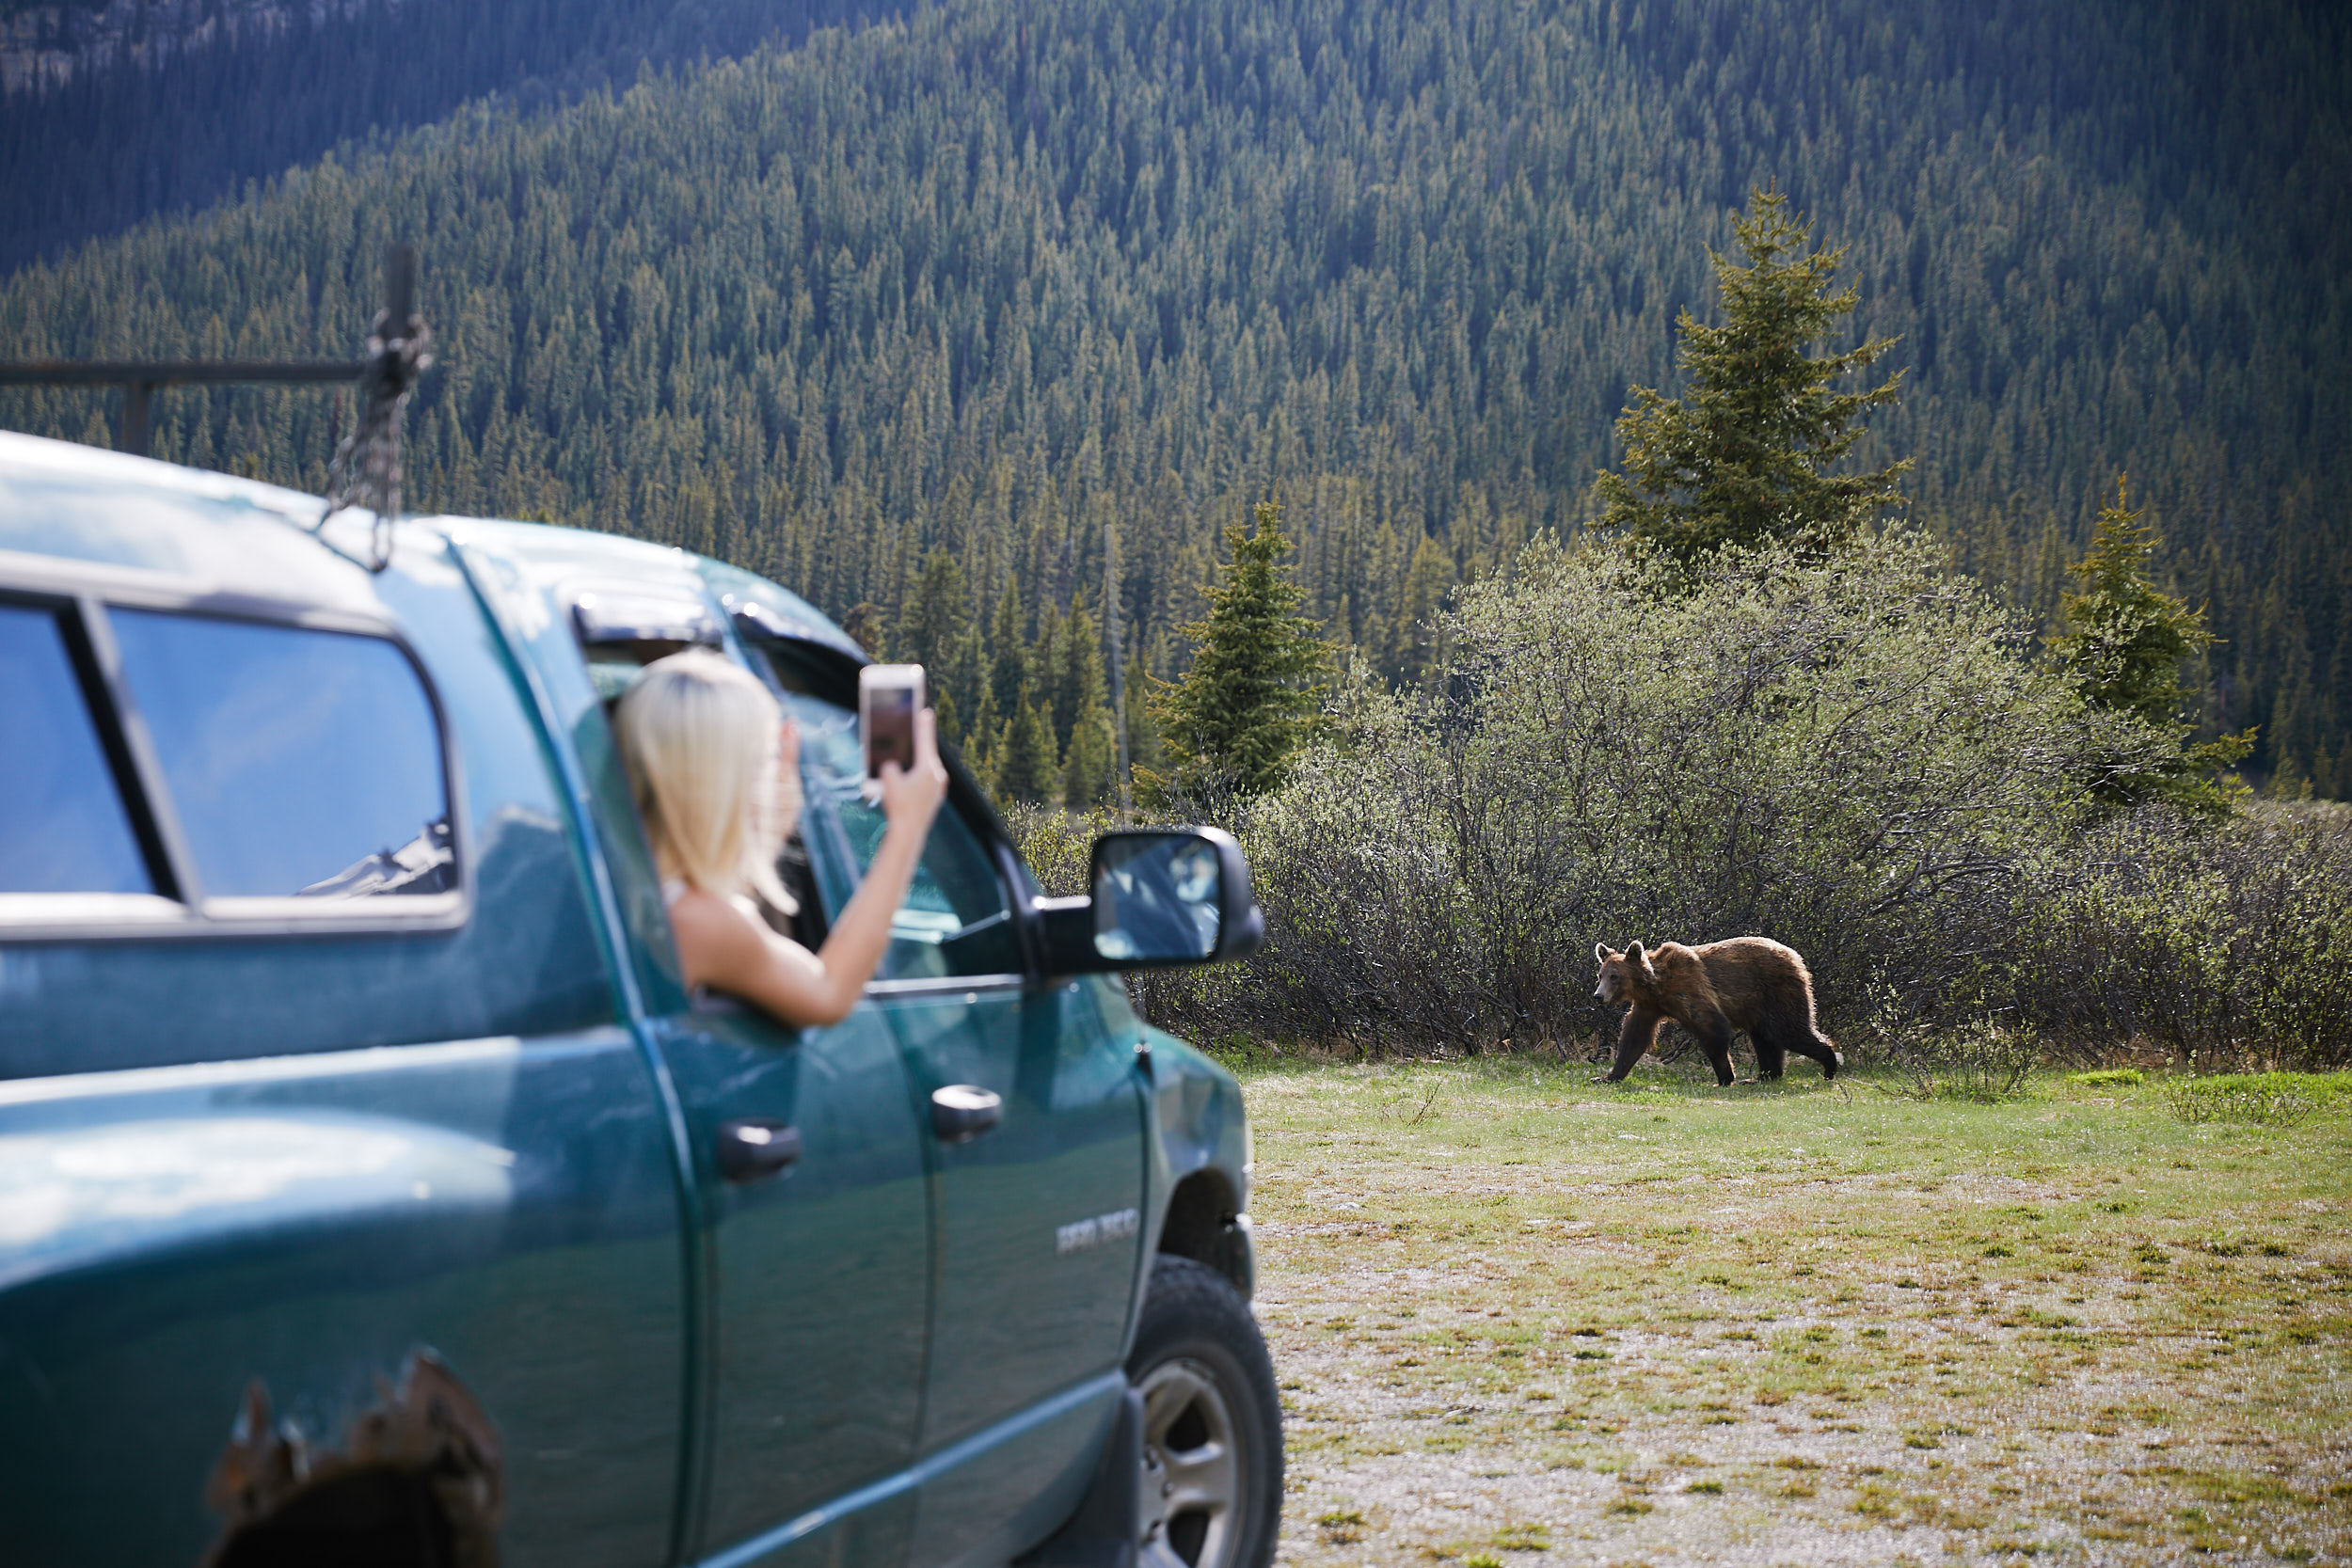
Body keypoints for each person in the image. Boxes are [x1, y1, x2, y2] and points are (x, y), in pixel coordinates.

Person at [613, 648, 947, 1027]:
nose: (772, 774)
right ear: (727, 780)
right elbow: (829, 992)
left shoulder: (614, 881)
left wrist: (771, 819)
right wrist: (908, 826)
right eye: (764, 759)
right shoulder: (697, 922)